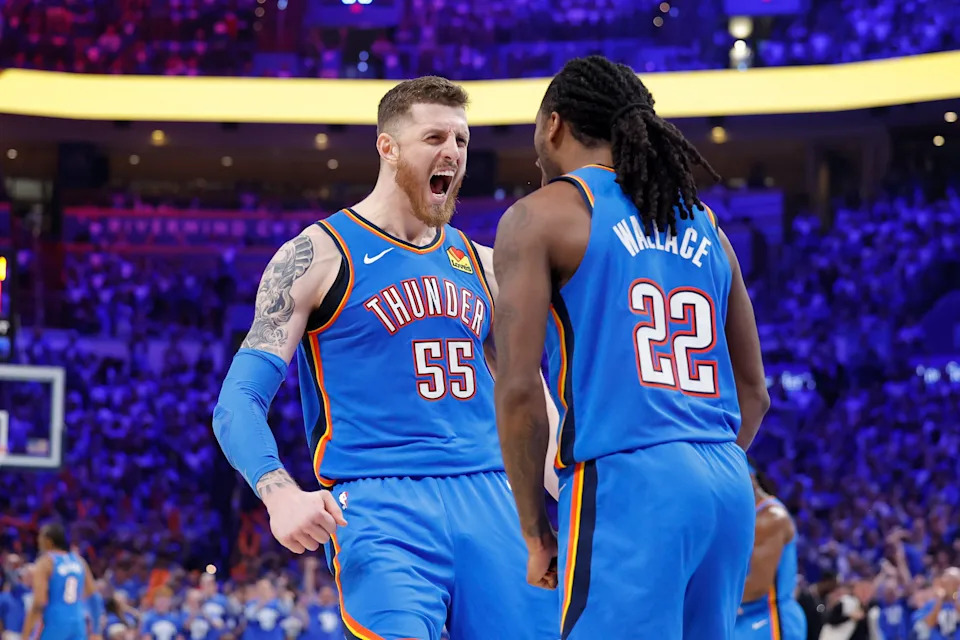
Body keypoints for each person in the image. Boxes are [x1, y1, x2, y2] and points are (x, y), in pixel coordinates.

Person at [213, 75, 558, 640]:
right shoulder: (316, 255)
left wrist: (575, 490)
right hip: (380, 501)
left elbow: (531, 401)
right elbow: (238, 400)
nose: (452, 152)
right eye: (434, 138)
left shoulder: (487, 265)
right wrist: (277, 491)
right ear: (388, 147)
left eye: (462, 141)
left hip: (493, 496)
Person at [491, 55, 768, 639]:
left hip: (632, 481)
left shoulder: (541, 216)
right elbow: (755, 393)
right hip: (725, 482)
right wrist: (697, 461)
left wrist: (537, 530)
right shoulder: (704, 223)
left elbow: (518, 390)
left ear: (554, 126)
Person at [734, 463, 807, 640]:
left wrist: (703, 599)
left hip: (771, 620)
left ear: (751, 480)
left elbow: (757, 586)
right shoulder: (743, 516)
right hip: (746, 618)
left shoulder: (771, 517)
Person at [22, 524, 96, 640]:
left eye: (40, 537)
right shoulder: (79, 561)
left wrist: (25, 635)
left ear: (48, 541)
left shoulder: (46, 562)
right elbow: (94, 596)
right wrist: (96, 630)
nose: (37, 540)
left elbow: (39, 602)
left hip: (55, 622)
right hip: (77, 622)